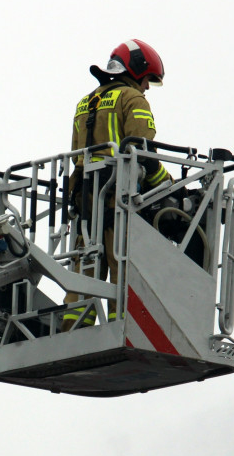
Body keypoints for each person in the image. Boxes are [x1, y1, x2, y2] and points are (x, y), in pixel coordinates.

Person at [62, 39, 171, 330]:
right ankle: (122, 325)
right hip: (117, 193)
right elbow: (143, 150)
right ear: (137, 70)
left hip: (85, 195)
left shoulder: (85, 102)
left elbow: (76, 153)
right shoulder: (133, 99)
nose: (147, 87)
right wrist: (168, 185)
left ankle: (74, 326)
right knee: (121, 264)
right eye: (147, 80)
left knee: (85, 264)